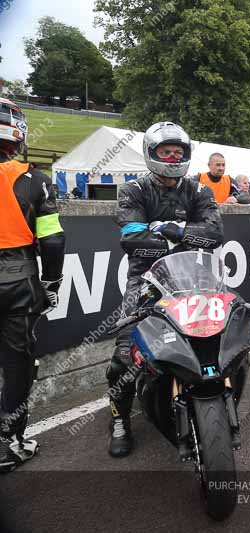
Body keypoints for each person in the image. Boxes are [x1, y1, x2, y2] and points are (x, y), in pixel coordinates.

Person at [108, 122, 223, 457]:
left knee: (220, 338)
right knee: (124, 354)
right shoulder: (133, 191)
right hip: (146, 281)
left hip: (195, 277)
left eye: (179, 152)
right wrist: (187, 232)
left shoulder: (200, 190)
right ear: (152, 154)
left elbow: (216, 236)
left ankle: (214, 400)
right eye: (166, 151)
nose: (173, 157)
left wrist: (174, 229)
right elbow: (132, 240)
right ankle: (120, 419)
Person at [0, 98, 66, 473]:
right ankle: (11, 443)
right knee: (17, 364)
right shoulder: (35, 180)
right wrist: (51, 282)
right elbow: (53, 240)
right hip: (18, 277)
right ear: (18, 133)